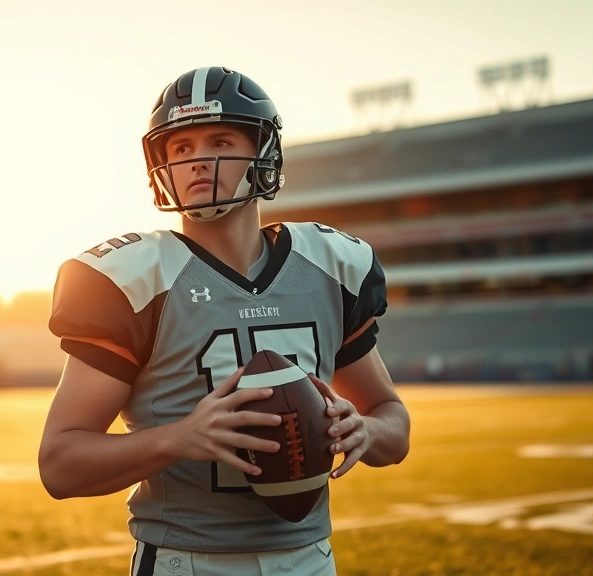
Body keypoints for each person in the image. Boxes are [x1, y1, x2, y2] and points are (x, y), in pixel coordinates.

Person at [39, 66, 410, 576]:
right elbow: (59, 464)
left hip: (311, 559)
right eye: (180, 148)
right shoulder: (130, 278)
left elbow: (394, 422)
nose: (196, 162)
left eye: (218, 140)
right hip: (187, 561)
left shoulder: (331, 265)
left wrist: (364, 430)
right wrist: (181, 437)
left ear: (263, 153)